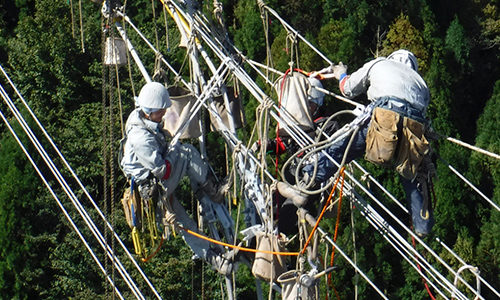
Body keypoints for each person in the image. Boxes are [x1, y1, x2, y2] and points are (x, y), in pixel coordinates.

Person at [279, 50, 436, 238]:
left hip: (384, 114)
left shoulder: (380, 64)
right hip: (415, 126)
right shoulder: (421, 82)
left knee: (340, 148)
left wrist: (341, 74)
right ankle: (422, 225)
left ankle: (305, 185)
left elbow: (348, 89)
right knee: (411, 173)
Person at [120, 81, 235, 275]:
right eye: (161, 111)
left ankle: (215, 260)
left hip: (153, 187)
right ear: (149, 110)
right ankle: (213, 191)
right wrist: (173, 151)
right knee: (187, 152)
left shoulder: (139, 118)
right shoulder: (141, 138)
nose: (164, 114)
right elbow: (163, 171)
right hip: (155, 185)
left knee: (184, 224)